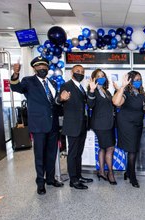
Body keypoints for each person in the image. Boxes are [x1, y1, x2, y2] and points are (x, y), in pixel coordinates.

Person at [10, 56, 64, 195]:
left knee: (52, 153)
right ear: (34, 69)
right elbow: (15, 87)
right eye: (39, 67)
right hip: (38, 125)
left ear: (47, 68)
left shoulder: (52, 82)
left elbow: (55, 102)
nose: (42, 69)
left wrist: (61, 100)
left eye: (44, 67)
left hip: (53, 125)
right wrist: (15, 74)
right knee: (39, 155)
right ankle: (41, 182)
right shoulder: (28, 81)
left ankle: (51, 179)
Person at [58, 65, 93, 190]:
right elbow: (60, 99)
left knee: (79, 153)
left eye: (82, 72)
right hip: (73, 126)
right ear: (71, 73)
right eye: (78, 71)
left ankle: (79, 176)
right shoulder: (67, 86)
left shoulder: (81, 87)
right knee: (72, 154)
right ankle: (73, 180)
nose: (80, 73)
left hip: (82, 125)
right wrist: (61, 98)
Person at [112, 71, 145, 188]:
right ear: (130, 81)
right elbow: (116, 102)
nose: (138, 81)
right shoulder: (126, 92)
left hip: (138, 124)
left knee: (134, 149)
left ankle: (128, 172)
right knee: (132, 150)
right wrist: (122, 87)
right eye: (136, 79)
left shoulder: (141, 93)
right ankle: (133, 177)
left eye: (140, 79)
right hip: (127, 124)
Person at [87, 69, 117, 185]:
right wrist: (92, 90)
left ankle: (101, 171)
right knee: (110, 148)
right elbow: (90, 104)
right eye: (98, 76)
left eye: (103, 76)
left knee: (103, 148)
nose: (101, 78)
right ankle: (110, 173)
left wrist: (117, 91)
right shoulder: (92, 90)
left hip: (109, 124)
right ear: (94, 78)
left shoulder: (106, 91)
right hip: (100, 125)